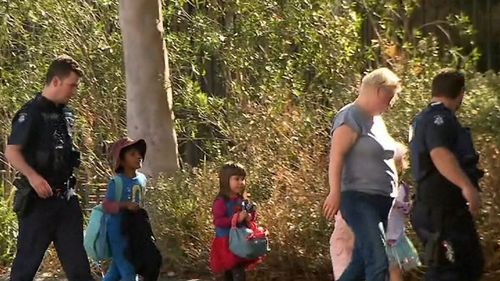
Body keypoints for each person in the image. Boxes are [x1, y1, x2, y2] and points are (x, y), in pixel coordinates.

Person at [5, 55, 94, 281]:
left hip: (66, 202)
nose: (74, 90)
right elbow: (12, 151)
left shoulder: (67, 114)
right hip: (38, 205)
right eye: (71, 85)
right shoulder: (30, 114)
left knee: (79, 269)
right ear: (55, 81)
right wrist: (34, 177)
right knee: (25, 269)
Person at [323, 67, 402, 281]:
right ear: (378, 91)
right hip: (359, 199)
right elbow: (336, 156)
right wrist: (334, 193)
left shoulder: (376, 120)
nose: (391, 103)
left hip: (381, 201)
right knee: (378, 260)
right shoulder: (350, 116)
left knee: (359, 262)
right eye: (390, 96)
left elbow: (386, 151)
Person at [409, 69, 484, 280]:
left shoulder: (422, 119)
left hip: (442, 209)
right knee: (447, 271)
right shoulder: (439, 119)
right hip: (441, 210)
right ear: (461, 93)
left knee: (469, 265)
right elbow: (440, 154)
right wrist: (467, 187)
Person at [102, 137, 148, 281]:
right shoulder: (116, 182)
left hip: (134, 232)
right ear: (122, 160)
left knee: (115, 272)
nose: (139, 156)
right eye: (132, 154)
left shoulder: (142, 179)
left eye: (139, 153)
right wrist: (124, 205)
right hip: (118, 232)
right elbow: (106, 205)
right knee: (129, 271)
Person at [210, 162, 262, 281]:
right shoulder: (221, 201)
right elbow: (218, 222)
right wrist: (236, 219)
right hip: (226, 241)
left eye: (243, 179)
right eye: (236, 179)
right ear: (225, 180)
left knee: (237, 268)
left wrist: (249, 216)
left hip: (241, 239)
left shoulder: (241, 199)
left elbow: (251, 216)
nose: (240, 182)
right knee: (231, 269)